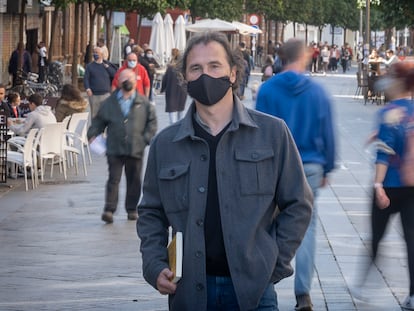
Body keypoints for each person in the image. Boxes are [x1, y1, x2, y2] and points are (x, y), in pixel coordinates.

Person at [137, 31, 312, 311]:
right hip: (190, 293)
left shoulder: (272, 133)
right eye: (196, 68)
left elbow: (299, 204)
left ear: (232, 73)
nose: (205, 75)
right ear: (185, 78)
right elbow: (151, 214)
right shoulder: (164, 145)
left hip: (254, 294)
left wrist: (271, 264)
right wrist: (155, 265)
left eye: (214, 66)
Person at [256, 38, 336, 311]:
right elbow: (328, 132)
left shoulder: (267, 90)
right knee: (307, 228)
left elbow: (258, 130)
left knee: (265, 224)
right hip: (311, 165)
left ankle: (264, 281)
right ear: (304, 58)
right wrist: (329, 166)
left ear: (281, 58)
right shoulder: (318, 92)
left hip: (276, 166)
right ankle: (303, 292)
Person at [351, 61, 414, 310]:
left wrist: (378, 184)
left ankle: (361, 284)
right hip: (412, 186)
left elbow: (384, 153)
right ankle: (412, 294)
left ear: (398, 82)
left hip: (389, 185)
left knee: (376, 236)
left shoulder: (389, 112)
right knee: (411, 240)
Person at [87, 69, 157, 224]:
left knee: (134, 180)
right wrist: (92, 134)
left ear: (135, 81)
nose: (127, 80)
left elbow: (152, 123)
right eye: (124, 78)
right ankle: (109, 210)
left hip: (135, 148)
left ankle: (132, 209)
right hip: (114, 148)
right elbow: (98, 122)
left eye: (130, 78)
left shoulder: (143, 103)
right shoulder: (109, 103)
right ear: (118, 81)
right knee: (113, 179)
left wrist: (145, 139)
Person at [84, 46, 117, 119]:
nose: (95, 54)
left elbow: (115, 75)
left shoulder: (107, 65)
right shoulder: (90, 66)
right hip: (94, 95)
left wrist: (108, 68)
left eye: (97, 53)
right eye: (94, 52)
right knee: (95, 115)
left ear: (102, 54)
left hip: (106, 94)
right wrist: (88, 88)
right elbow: (86, 78)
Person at [161, 48, 187, 124]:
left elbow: (164, 79)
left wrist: (162, 89)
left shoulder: (170, 68)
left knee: (172, 114)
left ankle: (173, 129)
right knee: (180, 113)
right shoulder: (184, 68)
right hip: (182, 92)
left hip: (171, 91)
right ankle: (180, 129)